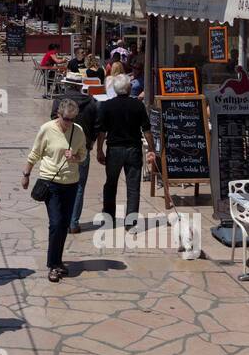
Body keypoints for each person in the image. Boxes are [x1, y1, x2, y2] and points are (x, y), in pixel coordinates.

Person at [23, 98, 88, 281]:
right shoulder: (47, 129)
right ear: (58, 114)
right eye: (65, 118)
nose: (68, 123)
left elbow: (83, 154)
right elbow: (35, 152)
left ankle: (58, 261)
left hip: (71, 182)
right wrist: (26, 173)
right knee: (56, 222)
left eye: (72, 119)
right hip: (50, 181)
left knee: (64, 224)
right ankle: (52, 265)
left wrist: (75, 157)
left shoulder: (78, 131)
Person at [94, 73, 155, 231]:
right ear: (128, 88)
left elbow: (101, 131)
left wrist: (99, 150)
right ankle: (131, 221)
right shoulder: (138, 105)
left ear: (115, 88)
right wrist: (151, 149)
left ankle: (108, 217)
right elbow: (147, 130)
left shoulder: (107, 106)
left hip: (114, 150)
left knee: (110, 184)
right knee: (133, 186)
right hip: (133, 149)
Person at [54, 82, 98, 234]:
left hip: (61, 149)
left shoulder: (58, 101)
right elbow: (96, 127)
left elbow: (52, 124)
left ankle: (61, 221)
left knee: (60, 184)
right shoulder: (91, 102)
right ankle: (73, 223)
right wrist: (91, 143)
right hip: (82, 149)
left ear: (67, 85)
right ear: (80, 86)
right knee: (79, 187)